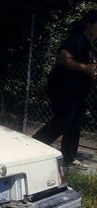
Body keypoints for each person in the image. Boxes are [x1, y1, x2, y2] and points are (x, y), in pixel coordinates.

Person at [33, 9, 97, 170]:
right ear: (89, 25)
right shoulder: (78, 40)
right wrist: (84, 68)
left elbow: (85, 65)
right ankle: (34, 144)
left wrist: (90, 68)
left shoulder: (88, 44)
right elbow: (63, 58)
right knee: (64, 121)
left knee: (75, 122)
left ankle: (69, 158)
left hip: (77, 91)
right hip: (63, 88)